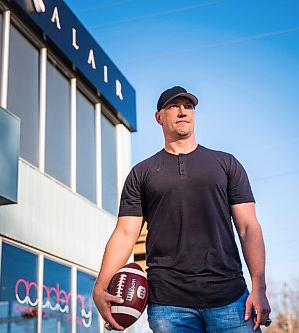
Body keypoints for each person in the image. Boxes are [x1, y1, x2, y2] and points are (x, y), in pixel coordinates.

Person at [92, 86, 271, 332]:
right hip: (169, 306)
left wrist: (259, 287)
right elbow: (125, 233)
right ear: (159, 117)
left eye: (188, 106)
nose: (182, 111)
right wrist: (100, 286)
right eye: (174, 106)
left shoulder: (226, 163)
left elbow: (248, 227)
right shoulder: (141, 173)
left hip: (230, 298)